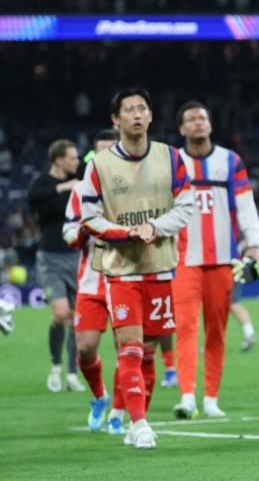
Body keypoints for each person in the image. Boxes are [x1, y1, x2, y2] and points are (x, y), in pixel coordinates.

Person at [76, 87, 197, 449]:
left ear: (151, 115)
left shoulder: (171, 157)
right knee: (129, 346)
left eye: (143, 108)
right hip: (121, 269)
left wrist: (154, 228)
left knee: (147, 352)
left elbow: (187, 206)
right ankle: (142, 424)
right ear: (116, 119)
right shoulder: (98, 165)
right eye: (129, 110)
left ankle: (131, 419)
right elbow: (88, 217)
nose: (137, 115)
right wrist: (125, 232)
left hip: (160, 266)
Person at [171, 102, 259, 419]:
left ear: (210, 125)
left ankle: (211, 398)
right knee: (185, 328)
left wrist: (254, 244)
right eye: (191, 119)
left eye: (203, 118)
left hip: (223, 260)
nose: (198, 123)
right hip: (184, 260)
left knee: (217, 331)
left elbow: (246, 204)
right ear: (182, 129)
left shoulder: (230, 161)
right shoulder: (172, 162)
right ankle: (187, 397)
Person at [63, 129, 119, 432]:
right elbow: (69, 234)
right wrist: (85, 230)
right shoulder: (82, 190)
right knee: (85, 349)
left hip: (127, 278)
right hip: (92, 282)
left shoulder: (136, 189)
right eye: (101, 151)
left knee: (129, 349)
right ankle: (100, 396)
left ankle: (120, 414)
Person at [28, 138, 86, 393]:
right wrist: (65, 187)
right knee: (61, 314)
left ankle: (72, 374)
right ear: (59, 160)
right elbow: (34, 199)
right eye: (72, 158)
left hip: (75, 255)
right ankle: (55, 366)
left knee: (76, 318)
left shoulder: (81, 181)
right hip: (50, 256)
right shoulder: (43, 182)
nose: (77, 161)